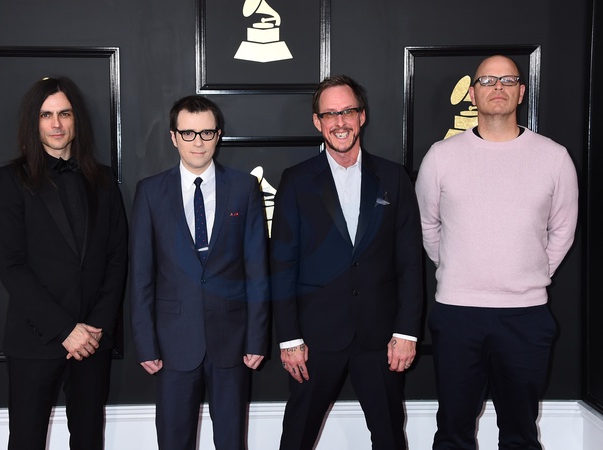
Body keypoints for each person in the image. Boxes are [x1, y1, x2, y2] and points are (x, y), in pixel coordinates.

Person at [415, 55, 579, 450]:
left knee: (520, 434)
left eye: (507, 80)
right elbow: (427, 227)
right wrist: (458, 267)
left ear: (521, 92)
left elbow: (563, 231)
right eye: (487, 80)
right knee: (452, 432)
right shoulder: (440, 156)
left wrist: (530, 272)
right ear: (473, 94)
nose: (498, 87)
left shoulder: (554, 157)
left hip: (526, 316)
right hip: (457, 313)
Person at [271, 75, 424, 449]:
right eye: (330, 114)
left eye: (348, 111)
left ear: (362, 116)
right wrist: (289, 338)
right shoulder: (296, 181)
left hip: (381, 338)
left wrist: (406, 333)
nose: (340, 122)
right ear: (317, 121)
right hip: (315, 338)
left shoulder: (393, 178)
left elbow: (410, 262)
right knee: (296, 437)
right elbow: (282, 265)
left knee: (390, 437)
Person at [0, 77, 128, 450]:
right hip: (36, 339)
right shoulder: (11, 180)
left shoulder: (104, 179)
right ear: (33, 123)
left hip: (93, 341)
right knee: (26, 441)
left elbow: (117, 258)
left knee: (88, 440)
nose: (56, 124)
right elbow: (11, 265)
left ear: (75, 119)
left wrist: (95, 328)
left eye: (64, 114)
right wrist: (66, 329)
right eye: (46, 115)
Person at [129, 95, 270, 450]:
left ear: (218, 135)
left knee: (231, 441)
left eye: (206, 133)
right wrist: (145, 343)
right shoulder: (150, 192)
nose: (198, 142)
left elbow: (256, 270)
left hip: (232, 342)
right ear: (173, 137)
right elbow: (142, 276)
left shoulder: (243, 188)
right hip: (173, 343)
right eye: (188, 133)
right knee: (174, 441)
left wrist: (257, 338)